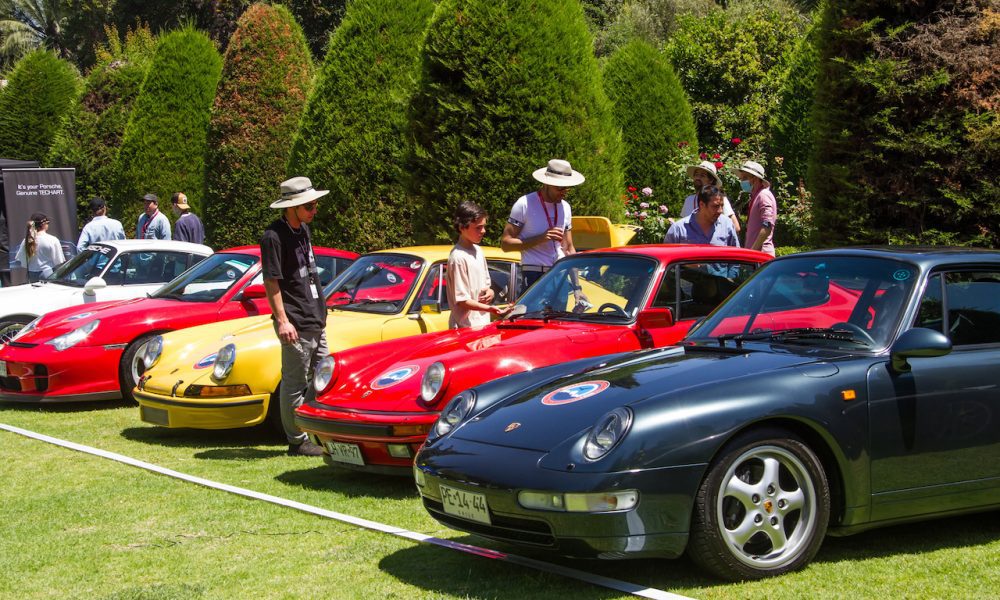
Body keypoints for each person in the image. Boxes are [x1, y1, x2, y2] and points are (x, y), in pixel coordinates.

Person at [260, 176, 329, 456]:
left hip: (315, 317)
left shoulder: (303, 232)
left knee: (323, 376)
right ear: (292, 207)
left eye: (314, 205)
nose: (314, 211)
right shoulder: (273, 236)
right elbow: (271, 282)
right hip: (295, 322)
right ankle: (297, 440)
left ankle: (312, 430)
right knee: (294, 382)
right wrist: (283, 320)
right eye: (309, 206)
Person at [501, 158, 584, 288]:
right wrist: (541, 238)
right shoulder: (525, 203)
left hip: (559, 273)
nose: (564, 192)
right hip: (533, 273)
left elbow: (568, 248)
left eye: (567, 189)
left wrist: (577, 287)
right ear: (547, 183)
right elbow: (506, 244)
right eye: (560, 188)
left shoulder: (566, 207)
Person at [447, 201, 505, 329]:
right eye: (478, 227)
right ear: (462, 227)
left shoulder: (478, 251)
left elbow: (486, 285)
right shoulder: (457, 258)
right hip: (464, 327)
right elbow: (462, 300)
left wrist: (490, 292)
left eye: (484, 226)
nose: (483, 231)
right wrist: (490, 308)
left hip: (482, 325)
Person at [664, 185, 740, 247]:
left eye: (721, 206)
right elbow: (667, 256)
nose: (720, 211)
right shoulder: (679, 229)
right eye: (715, 206)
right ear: (702, 204)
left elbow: (736, 257)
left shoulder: (727, 225)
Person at [678, 160, 741, 235]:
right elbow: (683, 227)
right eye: (696, 175)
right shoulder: (689, 200)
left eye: (702, 175)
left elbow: (736, 227)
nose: (698, 178)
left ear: (711, 180)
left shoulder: (720, 200)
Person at [736, 160, 777, 256]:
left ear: (755, 179)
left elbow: (767, 225)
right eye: (741, 178)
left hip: (760, 255)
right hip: (757, 254)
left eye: (745, 178)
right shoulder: (756, 196)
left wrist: (752, 252)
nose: (742, 181)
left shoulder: (763, 195)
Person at [14, 213, 65, 282]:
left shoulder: (26, 241)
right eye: (48, 223)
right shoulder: (52, 239)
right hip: (47, 272)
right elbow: (58, 260)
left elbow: (22, 260)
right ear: (43, 224)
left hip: (31, 274)